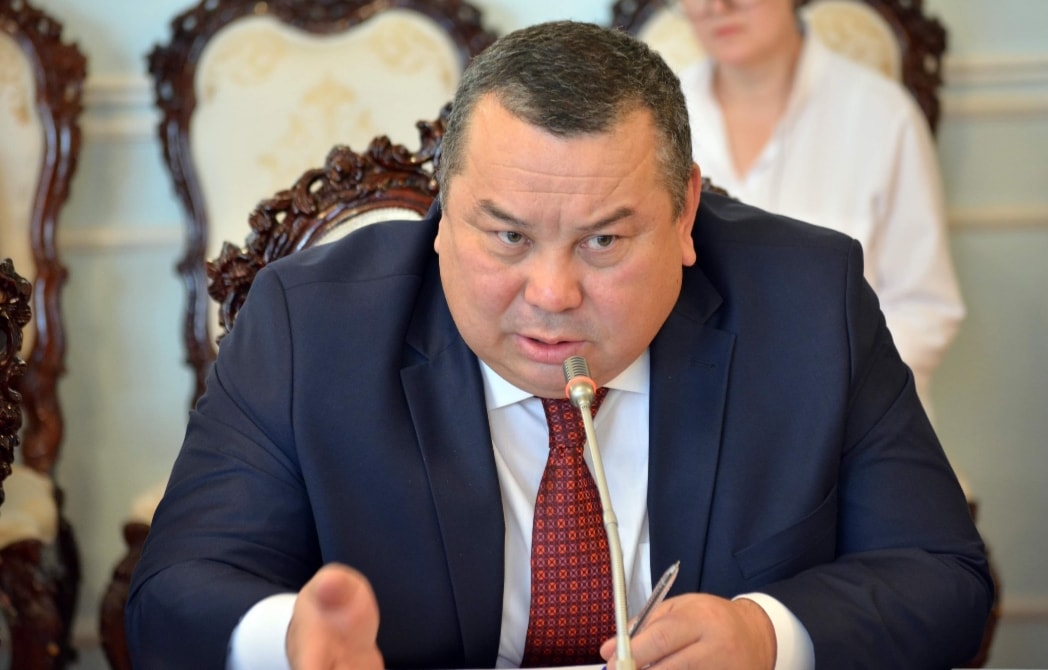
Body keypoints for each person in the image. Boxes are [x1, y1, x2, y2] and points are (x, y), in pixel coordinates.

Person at [126, 20, 992, 670]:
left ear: (685, 215)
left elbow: (942, 576)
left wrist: (766, 636)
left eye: (604, 241)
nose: (552, 294)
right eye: (507, 236)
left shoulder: (808, 304)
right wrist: (292, 641)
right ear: (443, 212)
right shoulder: (310, 326)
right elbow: (172, 595)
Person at [677, 0, 964, 413]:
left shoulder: (883, 114)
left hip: (855, 413)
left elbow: (923, 307)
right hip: (696, 410)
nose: (717, 6)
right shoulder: (652, 123)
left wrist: (827, 394)